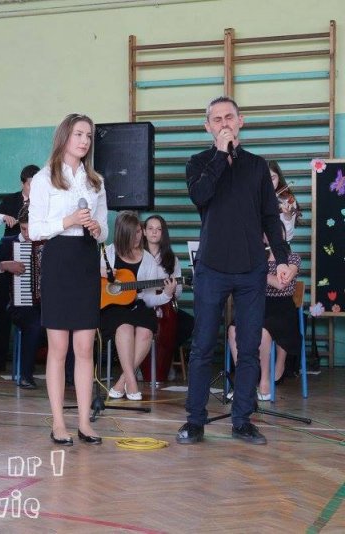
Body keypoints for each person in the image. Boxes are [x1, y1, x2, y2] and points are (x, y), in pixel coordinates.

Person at [178, 96, 291, 446]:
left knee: (249, 347)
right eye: (217, 119)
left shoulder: (257, 166)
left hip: (251, 269)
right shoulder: (198, 163)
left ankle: (242, 420)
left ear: (241, 121)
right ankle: (195, 421)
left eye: (230, 117)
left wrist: (282, 258)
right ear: (207, 127)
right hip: (211, 267)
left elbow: (271, 217)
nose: (224, 123)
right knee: (202, 347)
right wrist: (220, 156)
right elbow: (200, 196)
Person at [29, 113, 108, 446]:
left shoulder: (96, 181)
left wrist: (95, 228)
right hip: (59, 259)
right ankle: (59, 423)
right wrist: (69, 220)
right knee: (59, 347)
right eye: (79, 134)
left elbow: (104, 230)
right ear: (64, 136)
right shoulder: (44, 178)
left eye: (88, 136)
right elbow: (35, 230)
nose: (85, 141)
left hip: (86, 259)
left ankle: (85, 422)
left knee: (85, 346)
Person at [101, 211, 176, 400]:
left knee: (146, 331)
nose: (138, 236)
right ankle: (132, 382)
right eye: (133, 233)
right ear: (123, 234)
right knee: (125, 328)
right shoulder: (108, 253)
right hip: (112, 308)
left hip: (138, 306)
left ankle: (122, 381)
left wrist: (166, 294)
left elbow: (149, 299)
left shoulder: (148, 259)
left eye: (138, 231)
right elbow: (93, 281)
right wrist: (100, 271)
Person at [227, 233, 301, 400]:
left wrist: (258, 272)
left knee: (263, 331)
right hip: (258, 304)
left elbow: (281, 284)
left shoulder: (293, 258)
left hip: (282, 308)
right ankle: (244, 380)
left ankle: (264, 381)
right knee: (233, 329)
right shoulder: (258, 257)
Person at [0, 164, 40, 373]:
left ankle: (30, 361)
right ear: (22, 184)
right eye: (30, 185)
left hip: (34, 260)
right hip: (9, 255)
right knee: (2, 310)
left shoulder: (44, 202)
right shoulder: (11, 201)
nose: (34, 189)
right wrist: (2, 218)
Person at [143, 215, 193, 379]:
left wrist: (171, 291)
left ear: (163, 233)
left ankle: (165, 359)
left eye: (158, 229)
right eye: (150, 228)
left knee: (187, 323)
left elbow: (178, 292)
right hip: (144, 304)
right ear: (144, 232)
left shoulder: (172, 259)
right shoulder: (137, 255)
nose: (154, 232)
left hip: (165, 306)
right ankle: (141, 364)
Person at [268, 161, 300, 242]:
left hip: (279, 247)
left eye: (272, 179)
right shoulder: (253, 198)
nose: (268, 183)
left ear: (279, 178)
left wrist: (287, 217)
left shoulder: (288, 199)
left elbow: (288, 237)